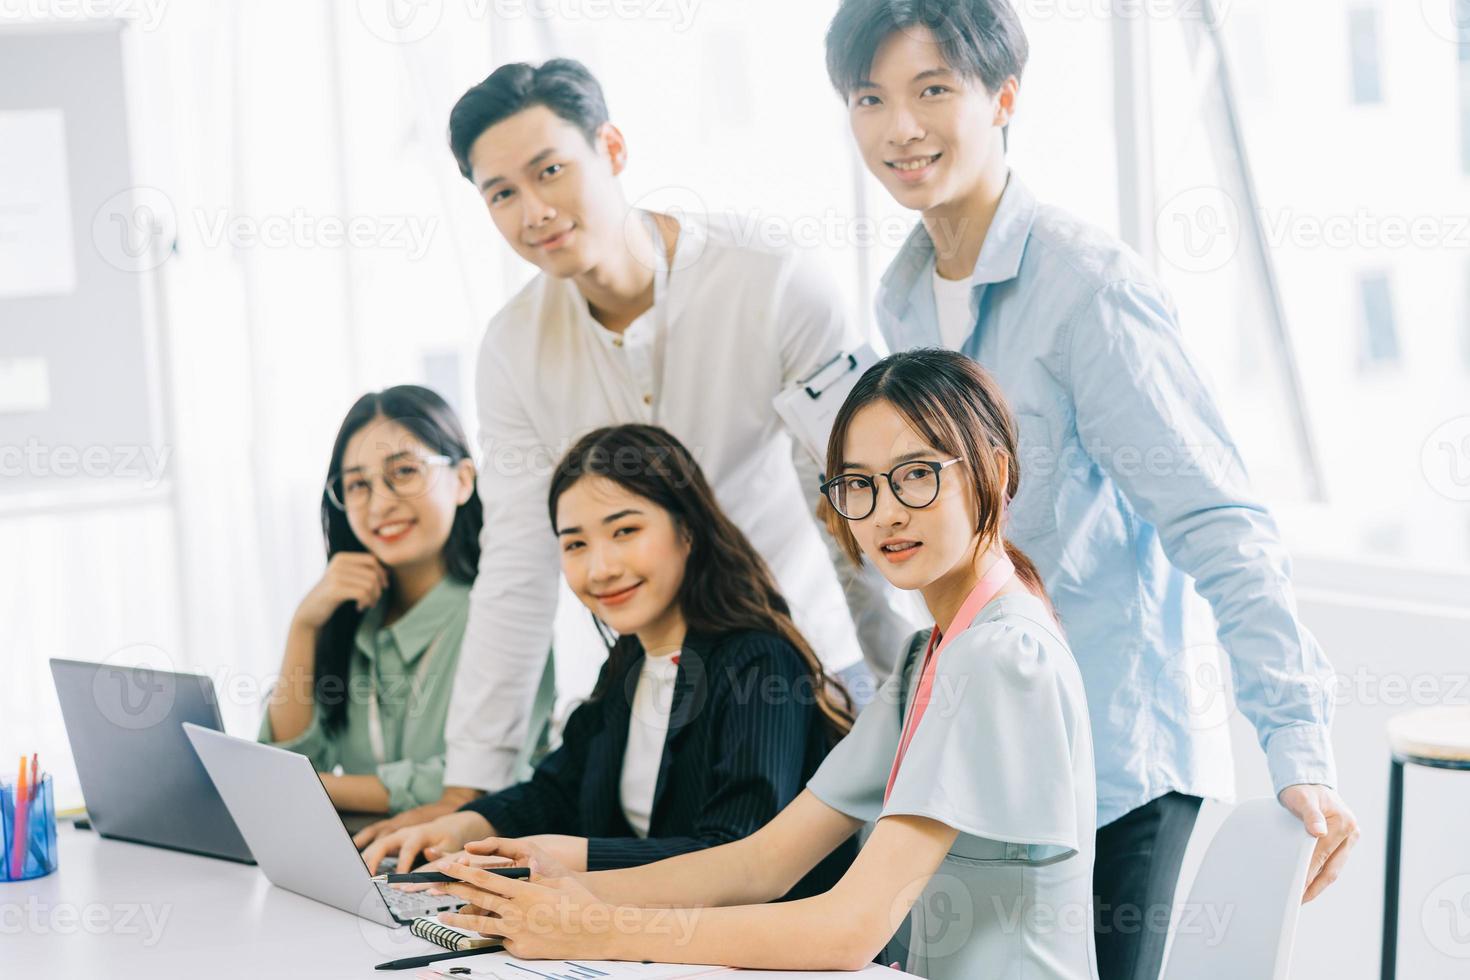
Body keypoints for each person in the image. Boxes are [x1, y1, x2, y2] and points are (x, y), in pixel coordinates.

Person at [821, 2, 1359, 977]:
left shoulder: (1087, 287)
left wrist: (1299, 746)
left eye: (933, 90)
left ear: (1005, 97)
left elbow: (1218, 519)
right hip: (985, 765)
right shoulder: (902, 291)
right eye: (871, 98)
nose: (901, 127)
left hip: (1119, 770)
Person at [353, 58, 914, 846]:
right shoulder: (513, 347)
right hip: (654, 669)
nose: (534, 210)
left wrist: (910, 699)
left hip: (801, 673)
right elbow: (517, 563)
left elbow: (857, 505)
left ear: (611, 149)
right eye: (501, 193)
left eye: (551, 171)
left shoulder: (772, 283)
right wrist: (468, 792)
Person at [429, 350, 1099, 979]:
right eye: (858, 485)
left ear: (997, 471)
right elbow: (763, 862)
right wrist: (553, 889)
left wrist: (596, 925)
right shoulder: (936, 653)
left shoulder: (1001, 655)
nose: (886, 512)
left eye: (917, 475)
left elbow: (849, 928)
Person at [361, 424, 856, 900]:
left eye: (624, 531)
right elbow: (555, 791)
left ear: (689, 531)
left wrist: (570, 858)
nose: (600, 569)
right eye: (575, 544)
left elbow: (734, 856)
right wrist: (460, 827)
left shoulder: (760, 664)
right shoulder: (629, 663)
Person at [261, 385, 550, 814]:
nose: (380, 504)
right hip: (355, 862)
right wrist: (304, 625)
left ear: (463, 480)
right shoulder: (350, 617)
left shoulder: (506, 613)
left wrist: (315, 788)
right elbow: (284, 763)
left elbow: (476, 781)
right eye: (358, 484)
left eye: (404, 472)